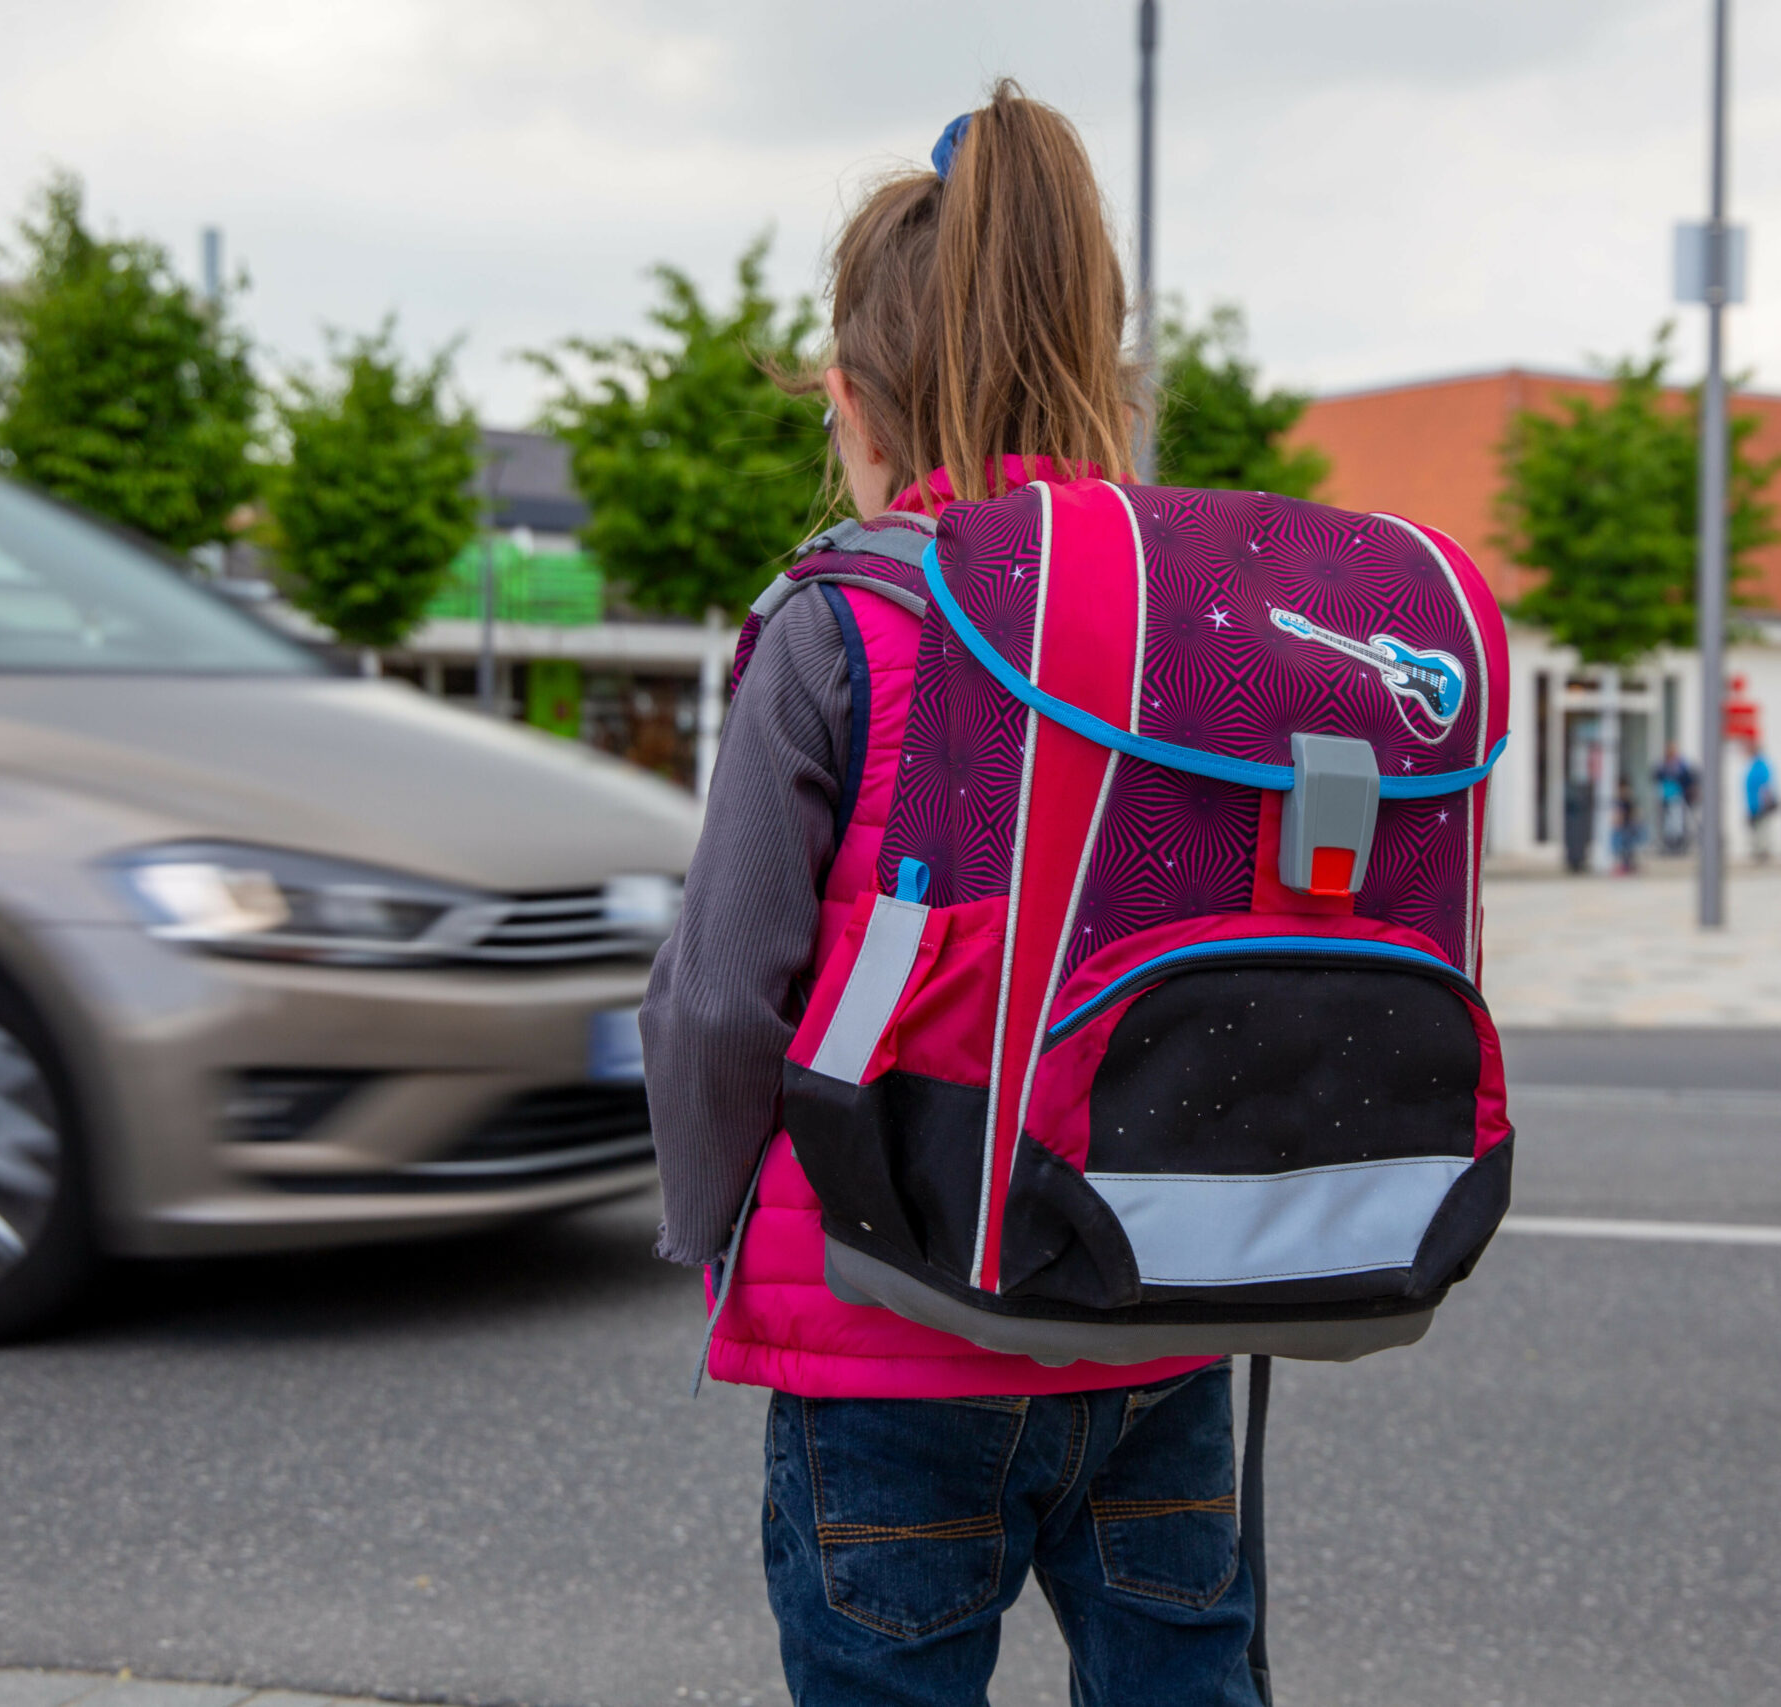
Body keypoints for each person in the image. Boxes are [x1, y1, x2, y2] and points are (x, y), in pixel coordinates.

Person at [641, 84, 1260, 1706]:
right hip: (1159, 1321)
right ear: (1107, 374)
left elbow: (719, 994)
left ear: (848, 401)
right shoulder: (1200, 625)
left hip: (888, 1330)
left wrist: (708, 1228)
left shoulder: (840, 624)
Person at [1652, 742, 1696, 853]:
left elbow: (1688, 778)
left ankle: (1677, 845)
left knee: (1677, 823)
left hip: (1677, 797)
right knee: (1666, 824)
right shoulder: (1662, 765)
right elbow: (1656, 776)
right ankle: (1668, 845)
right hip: (1665, 798)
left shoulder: (1681, 766)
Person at [1743, 741, 1777, 863]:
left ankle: (1762, 853)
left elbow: (1766, 786)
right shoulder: (1754, 766)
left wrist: (1766, 804)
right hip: (1753, 805)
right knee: (1756, 830)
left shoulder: (1761, 766)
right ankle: (1759, 852)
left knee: (1762, 830)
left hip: (1760, 806)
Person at [1611, 777, 1641, 874]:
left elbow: (1634, 813)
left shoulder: (1628, 800)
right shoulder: (1620, 800)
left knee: (1628, 848)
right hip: (1623, 827)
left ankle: (1628, 865)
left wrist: (1635, 822)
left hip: (1628, 826)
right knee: (1623, 848)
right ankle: (1625, 865)